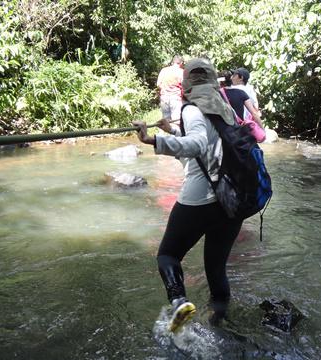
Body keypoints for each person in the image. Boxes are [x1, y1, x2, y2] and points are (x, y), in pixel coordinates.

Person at [133, 58, 243, 332]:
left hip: (201, 198)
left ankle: (179, 302)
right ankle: (219, 327)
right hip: (231, 200)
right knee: (216, 269)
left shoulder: (192, 108)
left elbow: (196, 144)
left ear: (186, 84)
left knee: (167, 255)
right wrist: (171, 130)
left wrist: (152, 140)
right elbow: (208, 138)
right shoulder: (224, 107)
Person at [156, 55, 184, 122]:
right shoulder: (181, 72)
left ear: (173, 62)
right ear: (181, 63)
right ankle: (175, 132)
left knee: (166, 121)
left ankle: (166, 132)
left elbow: (158, 84)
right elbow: (185, 86)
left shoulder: (164, 70)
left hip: (164, 98)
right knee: (176, 121)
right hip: (176, 98)